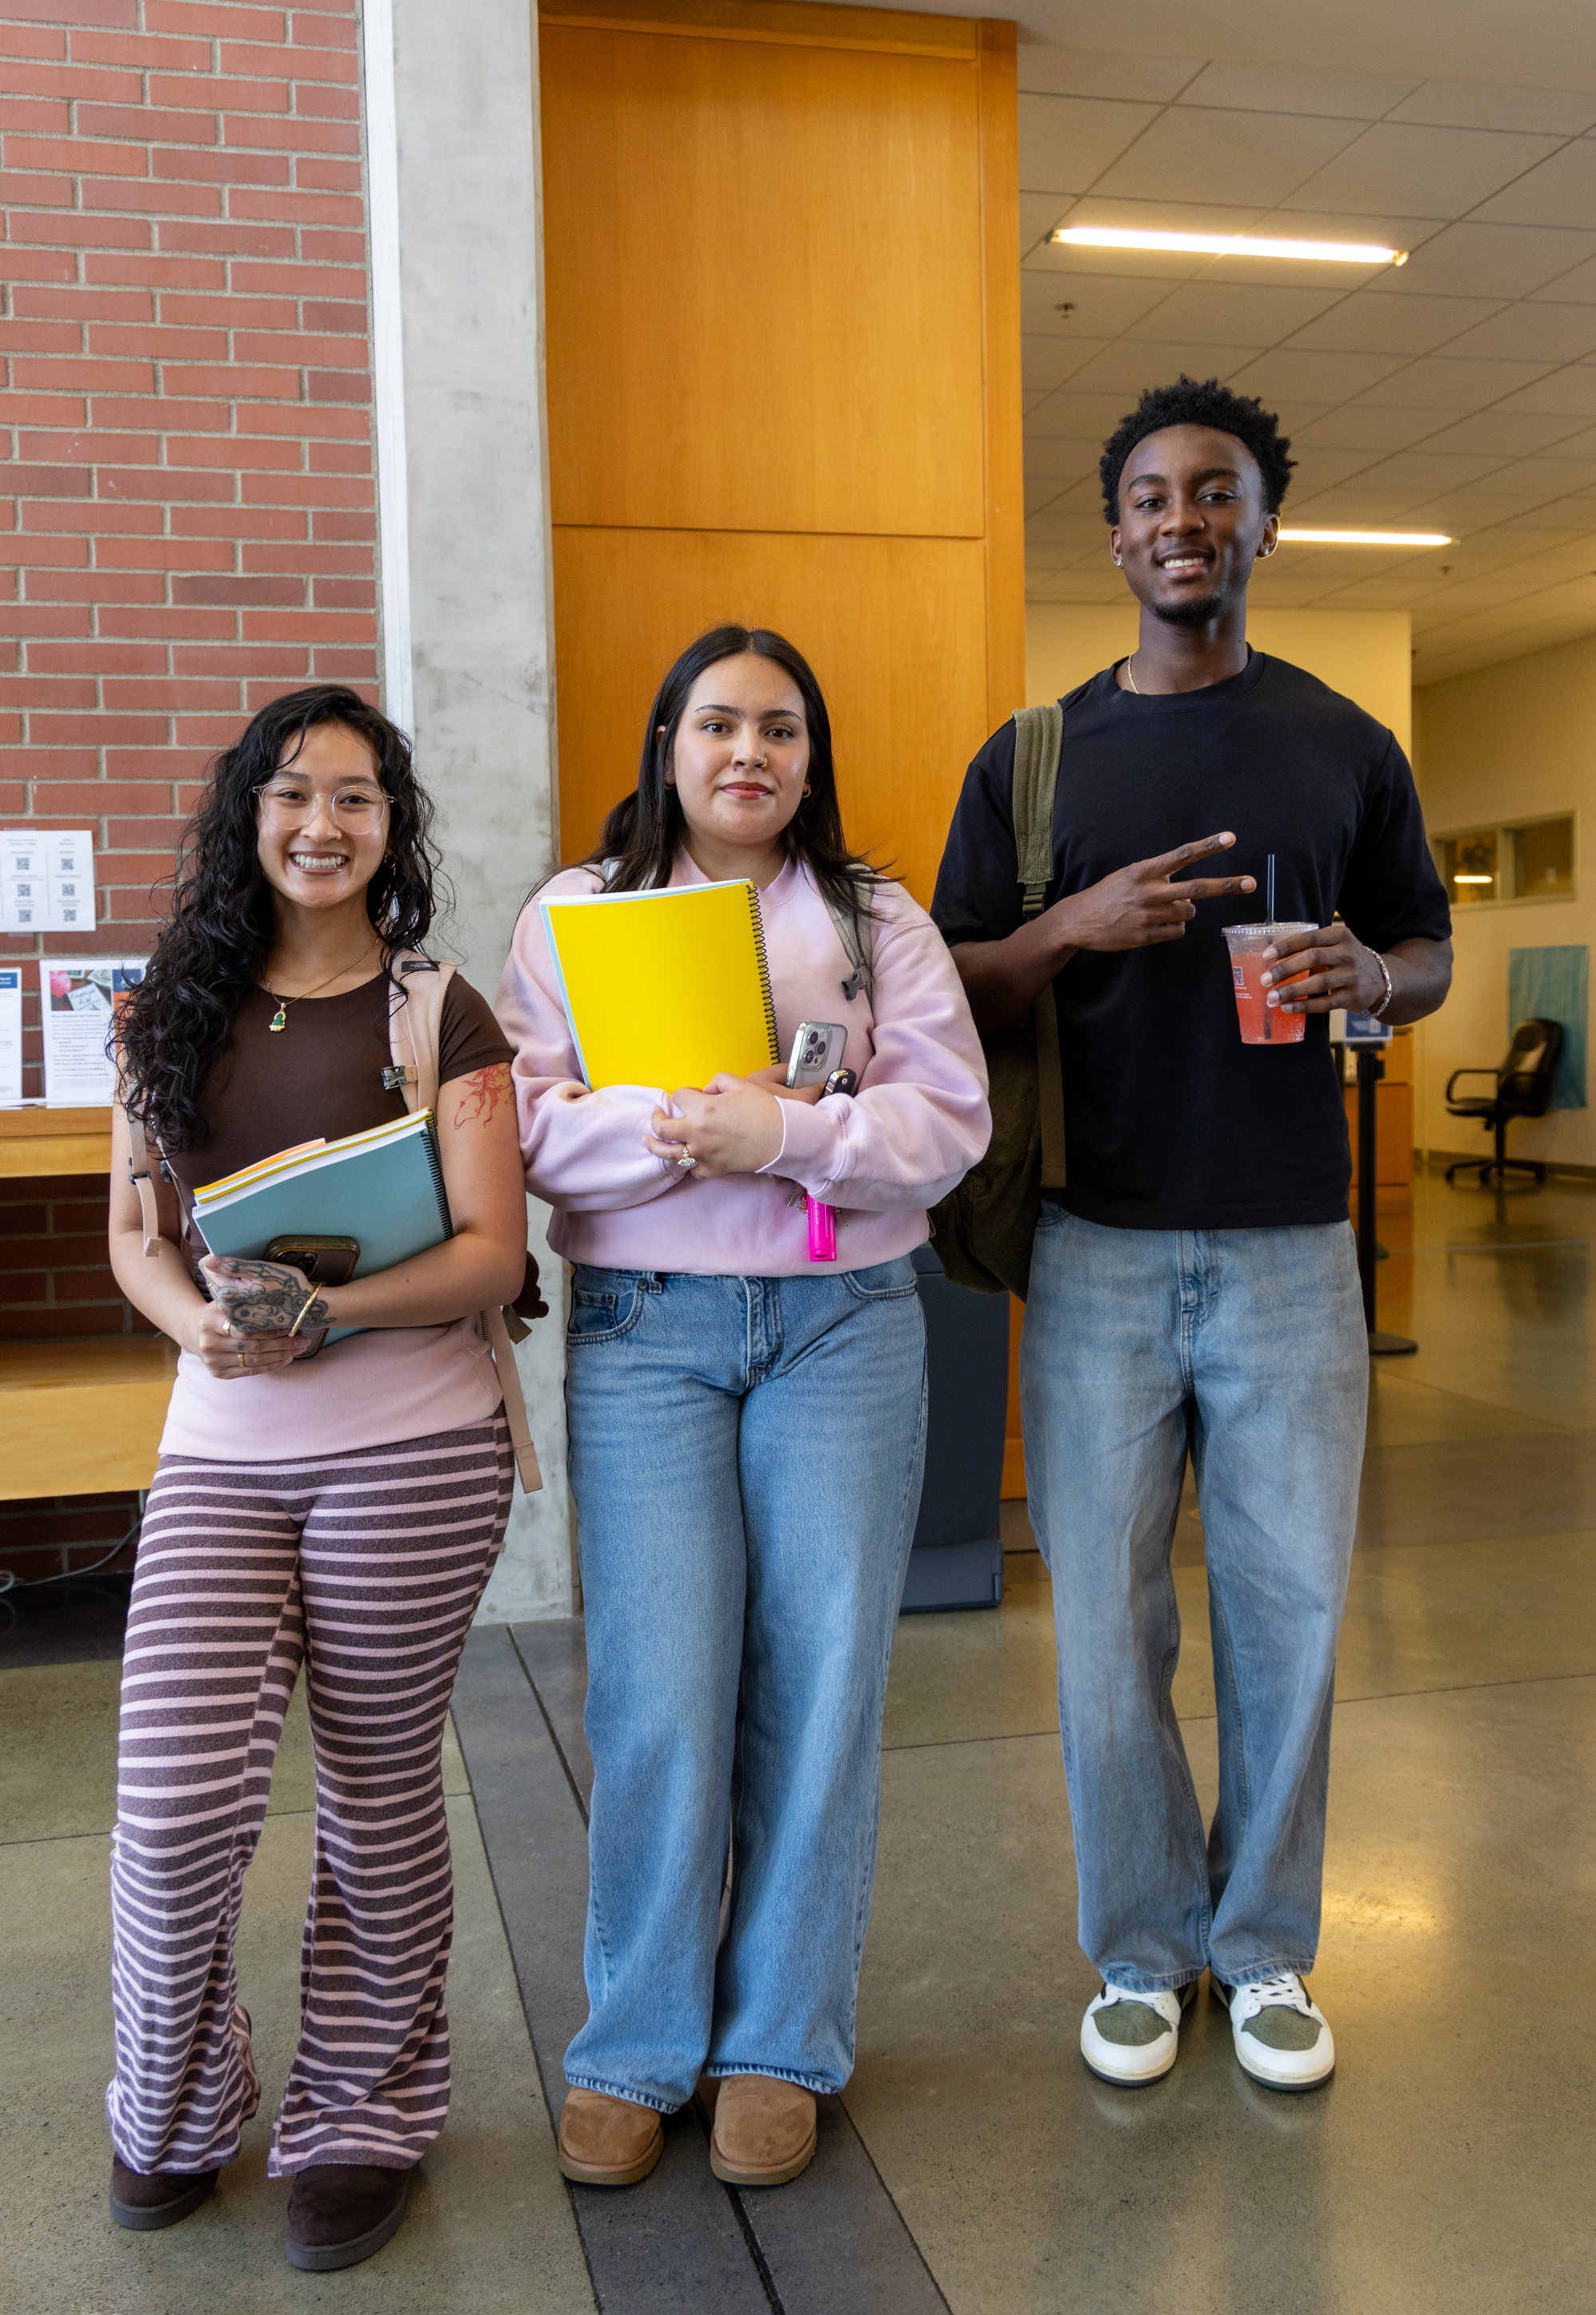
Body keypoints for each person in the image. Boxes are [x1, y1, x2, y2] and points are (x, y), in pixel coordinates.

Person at [933, 377, 1452, 2092]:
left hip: (1298, 1249)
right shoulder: (1033, 758)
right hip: (1093, 1247)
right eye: (1152, 496)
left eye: (1215, 494)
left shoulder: (1340, 742)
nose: (1183, 521)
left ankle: (1266, 1951)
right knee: (1105, 1627)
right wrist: (1068, 924)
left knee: (1291, 1612)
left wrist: (1371, 981)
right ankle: (1143, 1953)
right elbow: (940, 987)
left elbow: (1423, 949)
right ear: (1114, 532)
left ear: (1261, 524)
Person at [496, 623, 989, 2187]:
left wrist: (783, 1130)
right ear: (667, 744)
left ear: (810, 758)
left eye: (780, 730)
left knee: (823, 1677)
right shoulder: (581, 911)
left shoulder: (873, 916)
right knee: (658, 1689)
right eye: (717, 725)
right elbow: (523, 1121)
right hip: (647, 1328)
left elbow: (945, 1121)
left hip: (846, 1326)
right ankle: (636, 2044)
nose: (748, 755)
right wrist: (677, 1128)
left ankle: (781, 2038)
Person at [105, 685, 534, 2270]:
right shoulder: (162, 1010)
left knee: (371, 1791)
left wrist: (328, 1310)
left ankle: (362, 2118)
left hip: (413, 1444)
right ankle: (174, 2105)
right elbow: (138, 1240)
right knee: (171, 1809)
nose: (324, 823)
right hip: (221, 1448)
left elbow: (495, 1248)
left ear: (390, 830)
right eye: (294, 793)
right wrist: (206, 1322)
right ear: (247, 814)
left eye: (358, 798)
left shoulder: (440, 1014)